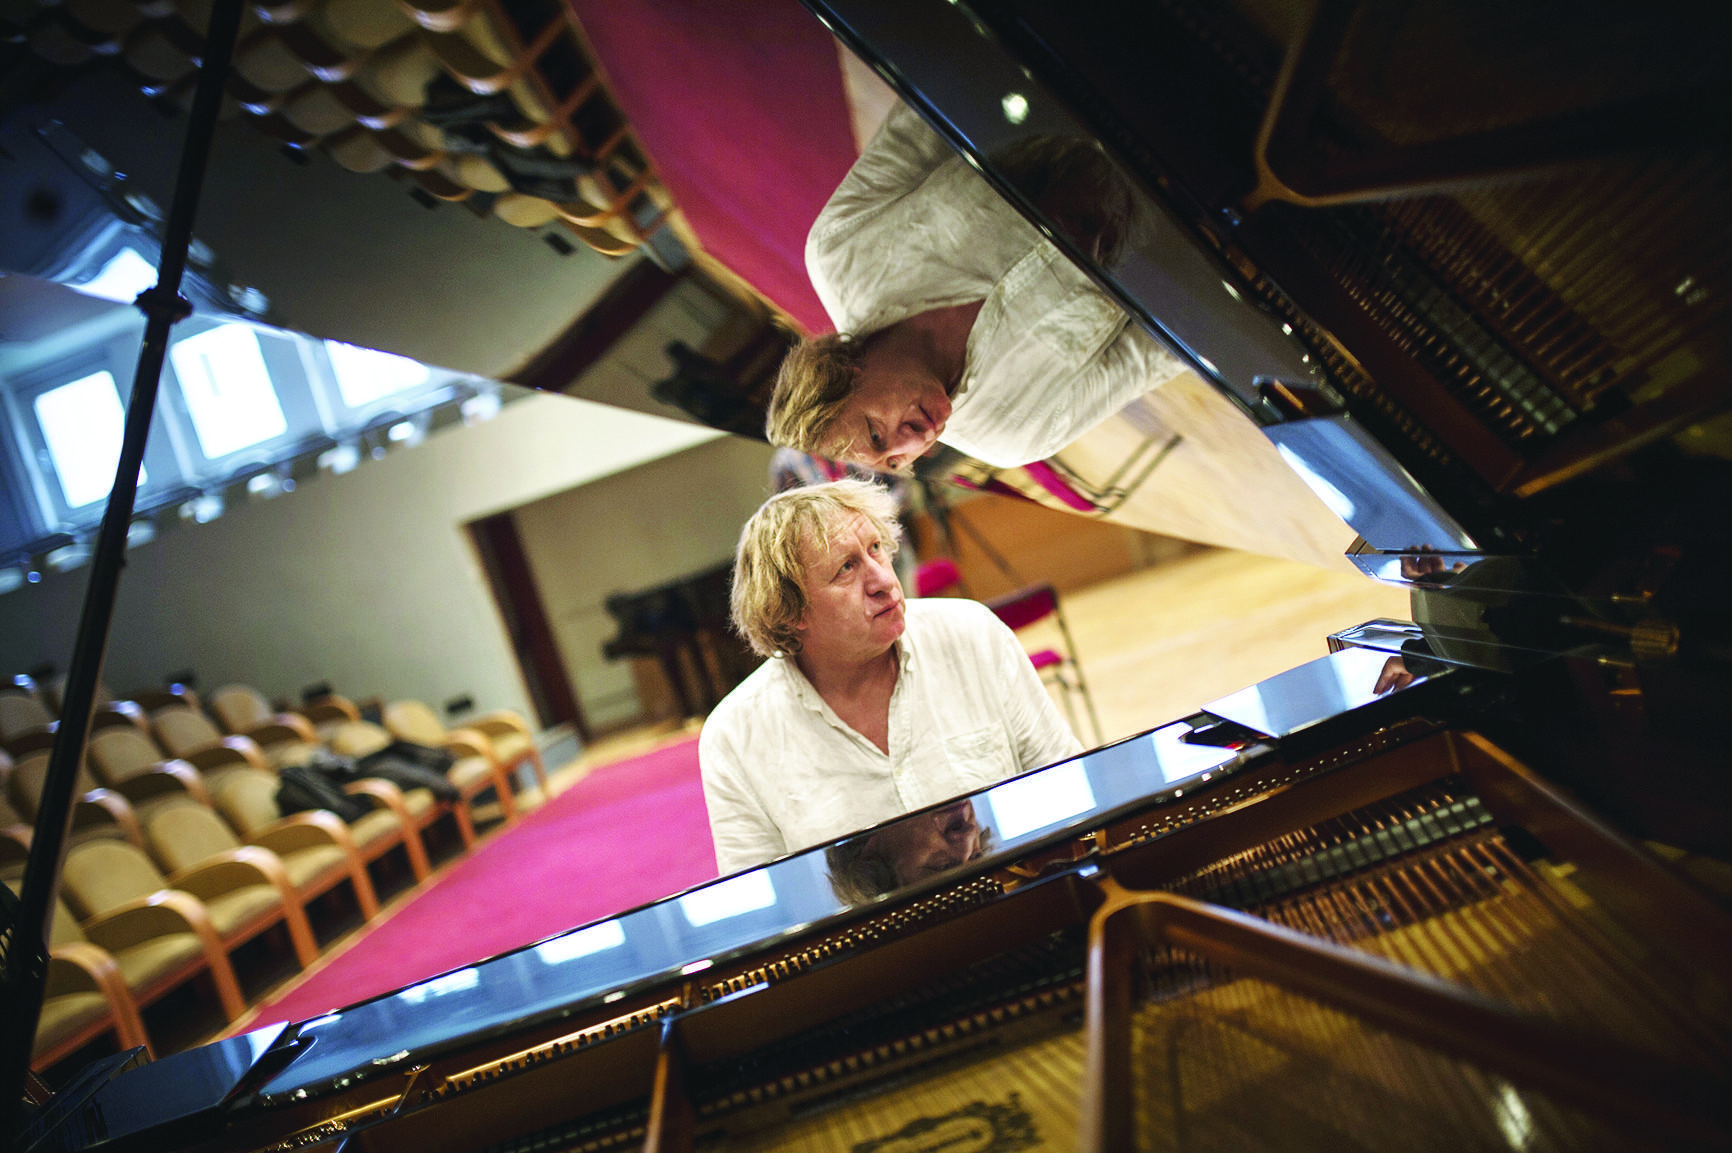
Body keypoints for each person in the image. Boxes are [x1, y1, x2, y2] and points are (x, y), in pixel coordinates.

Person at [765, 101, 1186, 472]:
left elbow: (937, 100)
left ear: (842, 375)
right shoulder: (1012, 434)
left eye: (877, 435)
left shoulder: (841, 250)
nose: (914, 443)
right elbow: (1165, 349)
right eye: (895, 462)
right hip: (1183, 193)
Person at [700, 478, 1082, 874]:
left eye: (876, 549)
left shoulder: (971, 634)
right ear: (790, 611)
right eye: (846, 568)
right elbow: (771, 902)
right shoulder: (734, 737)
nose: (884, 581)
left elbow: (1067, 784)